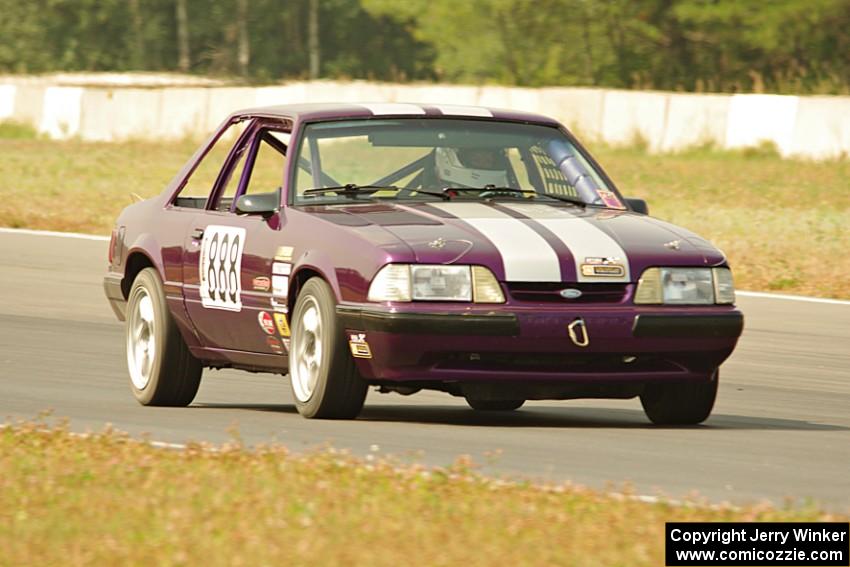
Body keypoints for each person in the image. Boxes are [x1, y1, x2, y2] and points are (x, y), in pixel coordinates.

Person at [434, 147, 509, 188]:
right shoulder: (435, 194)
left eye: (488, 161)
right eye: (477, 160)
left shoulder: (507, 191)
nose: (483, 164)